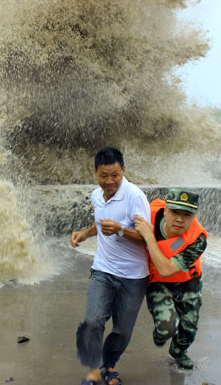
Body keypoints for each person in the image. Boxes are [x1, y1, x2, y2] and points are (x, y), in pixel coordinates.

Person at [70, 147, 151, 385]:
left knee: (122, 330)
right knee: (92, 321)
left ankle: (109, 365)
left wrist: (121, 230)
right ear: (95, 172)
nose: (109, 181)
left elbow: (147, 237)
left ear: (124, 170)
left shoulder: (135, 197)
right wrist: (85, 234)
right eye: (104, 175)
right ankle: (93, 370)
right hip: (103, 270)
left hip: (133, 276)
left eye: (115, 175)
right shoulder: (96, 196)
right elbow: (100, 222)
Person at [134, 189, 208, 370]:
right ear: (166, 210)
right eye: (175, 212)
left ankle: (178, 350)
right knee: (166, 328)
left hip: (188, 282)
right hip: (158, 283)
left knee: (189, 327)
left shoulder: (197, 238)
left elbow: (166, 269)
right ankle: (163, 332)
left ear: (194, 216)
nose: (180, 219)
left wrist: (149, 237)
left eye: (187, 215)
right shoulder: (148, 213)